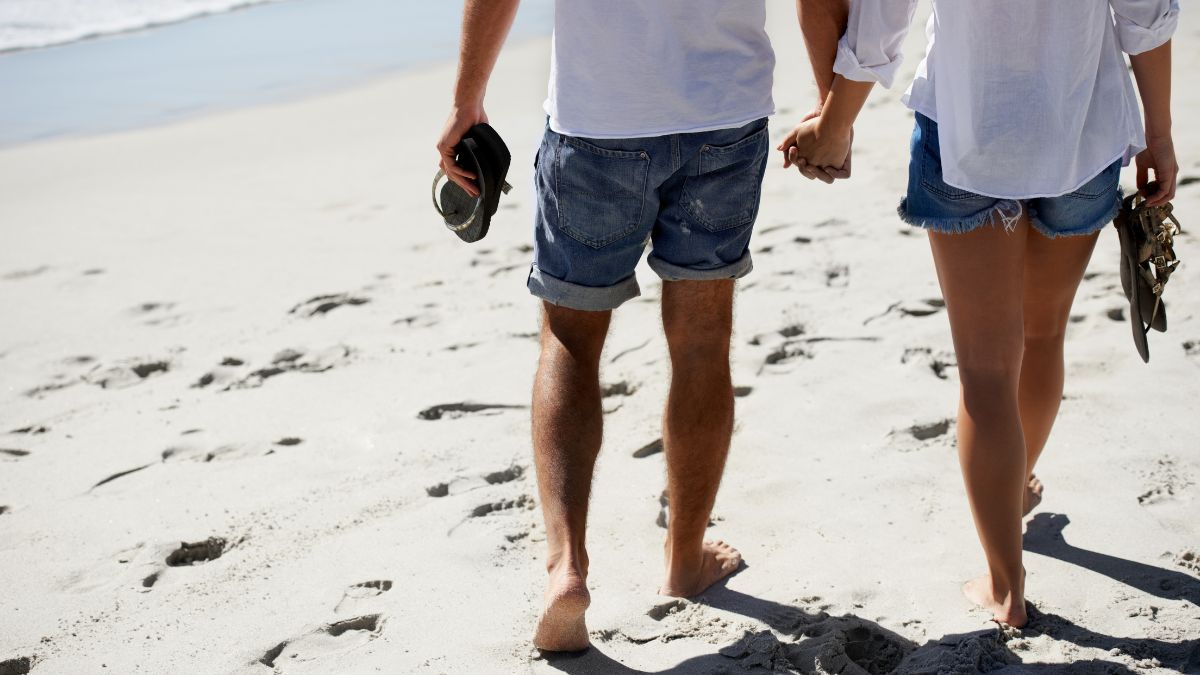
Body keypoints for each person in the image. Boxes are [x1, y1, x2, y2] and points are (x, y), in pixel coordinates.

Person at [437, 0, 850, 652]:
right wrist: (834, 103)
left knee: (570, 341)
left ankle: (566, 568)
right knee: (703, 342)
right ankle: (684, 558)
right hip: (726, 109)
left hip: (600, 115)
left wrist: (467, 99)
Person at [781, 0, 1179, 627]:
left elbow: (882, 18)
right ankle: (1015, 484)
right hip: (1083, 130)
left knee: (987, 370)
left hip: (967, 128)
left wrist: (835, 124)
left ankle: (1005, 588)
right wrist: (1159, 135)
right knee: (1044, 335)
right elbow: (1145, 14)